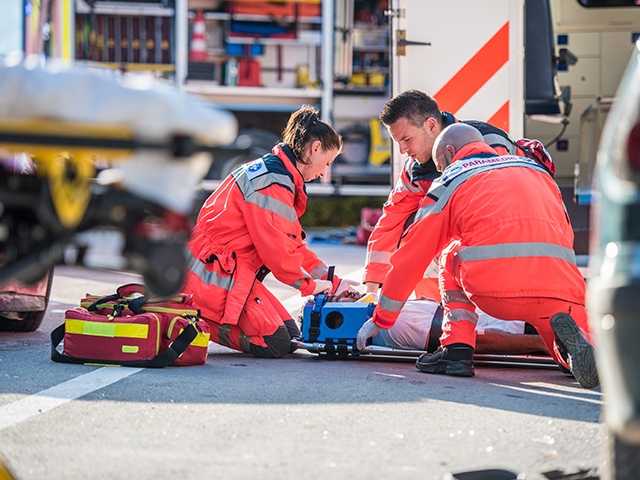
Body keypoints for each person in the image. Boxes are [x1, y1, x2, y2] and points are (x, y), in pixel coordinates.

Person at [356, 123, 598, 389]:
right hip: (562, 290)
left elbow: (412, 256)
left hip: (496, 292)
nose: (441, 170)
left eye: (440, 164)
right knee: (565, 343)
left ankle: (456, 350)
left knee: (450, 254)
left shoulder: (452, 178)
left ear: (449, 153)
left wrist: (382, 318)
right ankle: (574, 356)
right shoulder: (535, 171)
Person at [184, 106, 358, 358]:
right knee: (276, 343)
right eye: (327, 162)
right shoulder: (272, 184)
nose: (324, 172)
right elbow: (277, 253)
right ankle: (200, 316)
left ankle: (206, 312)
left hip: (226, 273)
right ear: (315, 148)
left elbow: (292, 245)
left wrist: (333, 282)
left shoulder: (277, 175)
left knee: (292, 336)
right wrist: (309, 286)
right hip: (214, 278)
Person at [365, 90, 534, 302]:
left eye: (407, 139)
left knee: (434, 238)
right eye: (398, 142)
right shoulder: (415, 169)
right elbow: (392, 220)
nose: (402, 150)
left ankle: (496, 309)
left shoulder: (490, 146)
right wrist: (371, 288)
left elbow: (503, 212)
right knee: (413, 233)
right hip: (485, 248)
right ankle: (433, 309)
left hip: (514, 245)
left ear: (431, 125)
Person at [370, 299, 546, 355]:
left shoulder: (392, 317)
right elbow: (475, 341)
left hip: (520, 318)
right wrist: (541, 343)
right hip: (521, 324)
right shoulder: (394, 327)